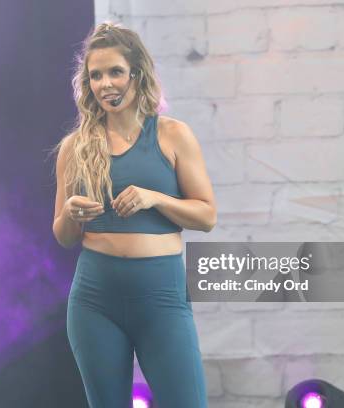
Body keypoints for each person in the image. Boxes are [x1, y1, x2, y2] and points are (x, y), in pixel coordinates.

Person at [52, 22, 216, 408]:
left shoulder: (173, 135)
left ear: (136, 74)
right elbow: (63, 235)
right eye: (95, 75)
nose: (105, 84)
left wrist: (154, 199)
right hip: (95, 298)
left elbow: (206, 216)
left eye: (115, 72)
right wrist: (72, 213)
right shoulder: (74, 148)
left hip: (161, 296)